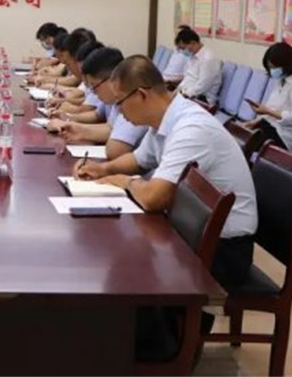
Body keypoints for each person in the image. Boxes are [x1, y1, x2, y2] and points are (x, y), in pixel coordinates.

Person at [74, 55, 257, 289]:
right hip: (194, 233)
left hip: (224, 250)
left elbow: (153, 198)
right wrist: (101, 169)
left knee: (125, 272)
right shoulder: (165, 118)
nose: (118, 111)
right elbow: (139, 159)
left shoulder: (191, 129)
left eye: (120, 102)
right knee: (118, 258)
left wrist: (124, 181)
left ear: (142, 95)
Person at [50, 47, 148, 160]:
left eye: (94, 86)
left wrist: (78, 127)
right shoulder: (118, 99)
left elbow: (114, 150)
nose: (93, 92)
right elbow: (110, 127)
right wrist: (77, 129)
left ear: (112, 80)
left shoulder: (132, 101)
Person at [241, 41, 292, 151]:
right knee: (241, 134)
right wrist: (256, 121)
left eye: (274, 67)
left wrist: (267, 111)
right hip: (272, 127)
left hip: (286, 137)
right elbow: (273, 109)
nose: (272, 71)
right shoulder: (281, 81)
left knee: (247, 143)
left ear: (286, 64)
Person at [175, 27, 222, 105]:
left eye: (184, 48)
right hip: (189, 95)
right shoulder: (193, 57)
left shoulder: (208, 59)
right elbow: (188, 78)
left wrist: (184, 95)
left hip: (202, 99)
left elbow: (202, 86)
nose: (183, 51)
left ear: (193, 43)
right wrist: (177, 91)